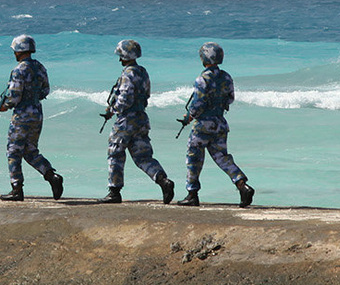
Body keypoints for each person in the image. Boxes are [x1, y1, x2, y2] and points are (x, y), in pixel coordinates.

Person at [176, 42, 255, 207]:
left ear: (205, 57)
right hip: (220, 123)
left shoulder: (202, 79)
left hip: (202, 126)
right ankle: (242, 184)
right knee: (222, 157)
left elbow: (197, 105)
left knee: (194, 158)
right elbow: (230, 99)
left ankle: (192, 194)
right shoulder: (226, 77)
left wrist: (189, 117)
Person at [99, 39, 175, 204]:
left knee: (115, 153)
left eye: (121, 56)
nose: (120, 59)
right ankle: (163, 180)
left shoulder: (128, 73)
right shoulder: (143, 71)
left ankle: (114, 191)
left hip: (126, 120)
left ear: (126, 56)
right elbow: (146, 94)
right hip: (141, 118)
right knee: (143, 157)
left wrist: (112, 110)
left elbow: (125, 98)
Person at [0, 34, 63, 201]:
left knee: (13, 151)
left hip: (22, 115)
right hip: (37, 112)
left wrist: (3, 106)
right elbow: (45, 90)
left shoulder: (18, 70)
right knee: (30, 150)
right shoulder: (40, 67)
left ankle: (16, 189)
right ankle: (52, 176)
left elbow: (14, 97)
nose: (14, 53)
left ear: (20, 51)